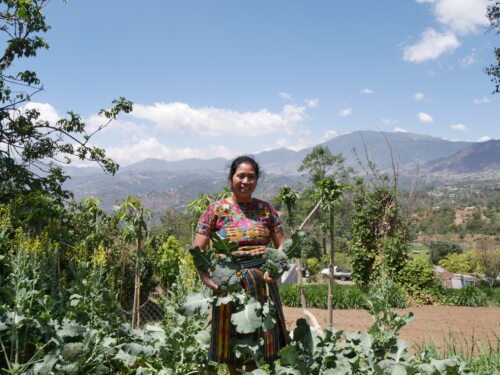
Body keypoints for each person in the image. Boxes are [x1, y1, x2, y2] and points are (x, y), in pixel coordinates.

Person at [192, 155, 288, 375]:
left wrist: (276, 270)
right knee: (232, 342)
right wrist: (205, 277)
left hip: (262, 284)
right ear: (230, 178)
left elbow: (282, 246)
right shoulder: (214, 211)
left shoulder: (267, 211)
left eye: (251, 177)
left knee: (258, 341)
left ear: (257, 180)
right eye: (241, 176)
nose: (246, 181)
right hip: (229, 286)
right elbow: (198, 249)